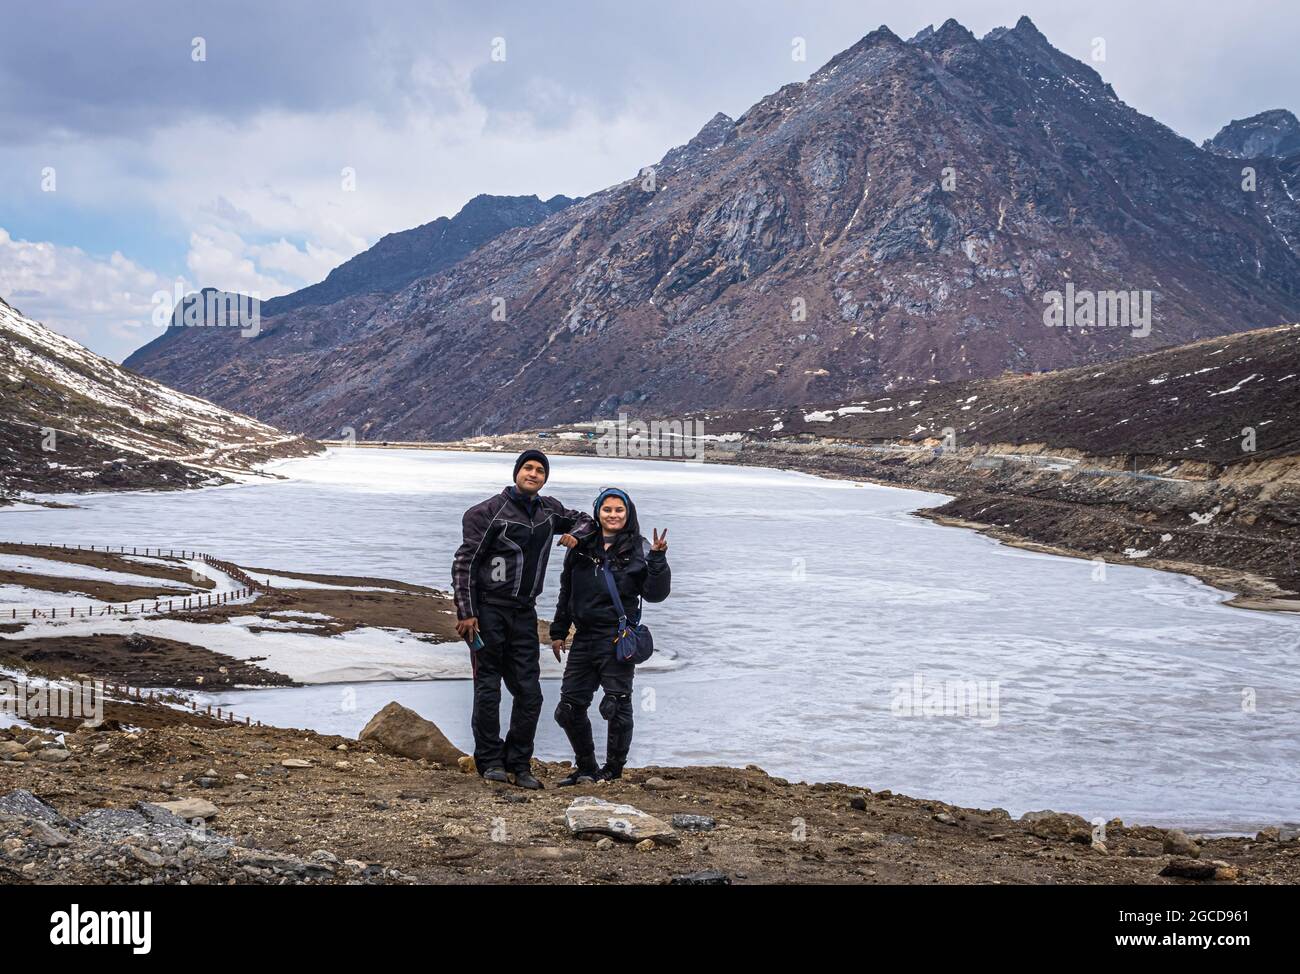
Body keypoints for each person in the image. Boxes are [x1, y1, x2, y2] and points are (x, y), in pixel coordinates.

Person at [452, 449, 596, 789]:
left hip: (523, 612)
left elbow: (587, 520)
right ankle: (489, 762)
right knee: (488, 688)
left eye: (540, 470)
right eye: (528, 468)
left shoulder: (549, 510)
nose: (533, 474)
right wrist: (466, 612)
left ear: (545, 478)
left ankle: (520, 763)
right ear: (517, 472)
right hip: (488, 609)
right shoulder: (486, 513)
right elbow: (464, 565)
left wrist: (577, 536)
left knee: (530, 692)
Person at [550, 486, 670, 784]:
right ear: (598, 513)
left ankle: (613, 772)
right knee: (568, 708)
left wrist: (657, 560)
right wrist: (558, 631)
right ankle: (587, 768)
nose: (613, 515)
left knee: (615, 704)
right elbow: (567, 591)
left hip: (617, 638)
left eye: (619, 510)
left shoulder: (640, 548)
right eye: (607, 509)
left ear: (628, 514)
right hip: (584, 637)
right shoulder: (581, 547)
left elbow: (656, 595)